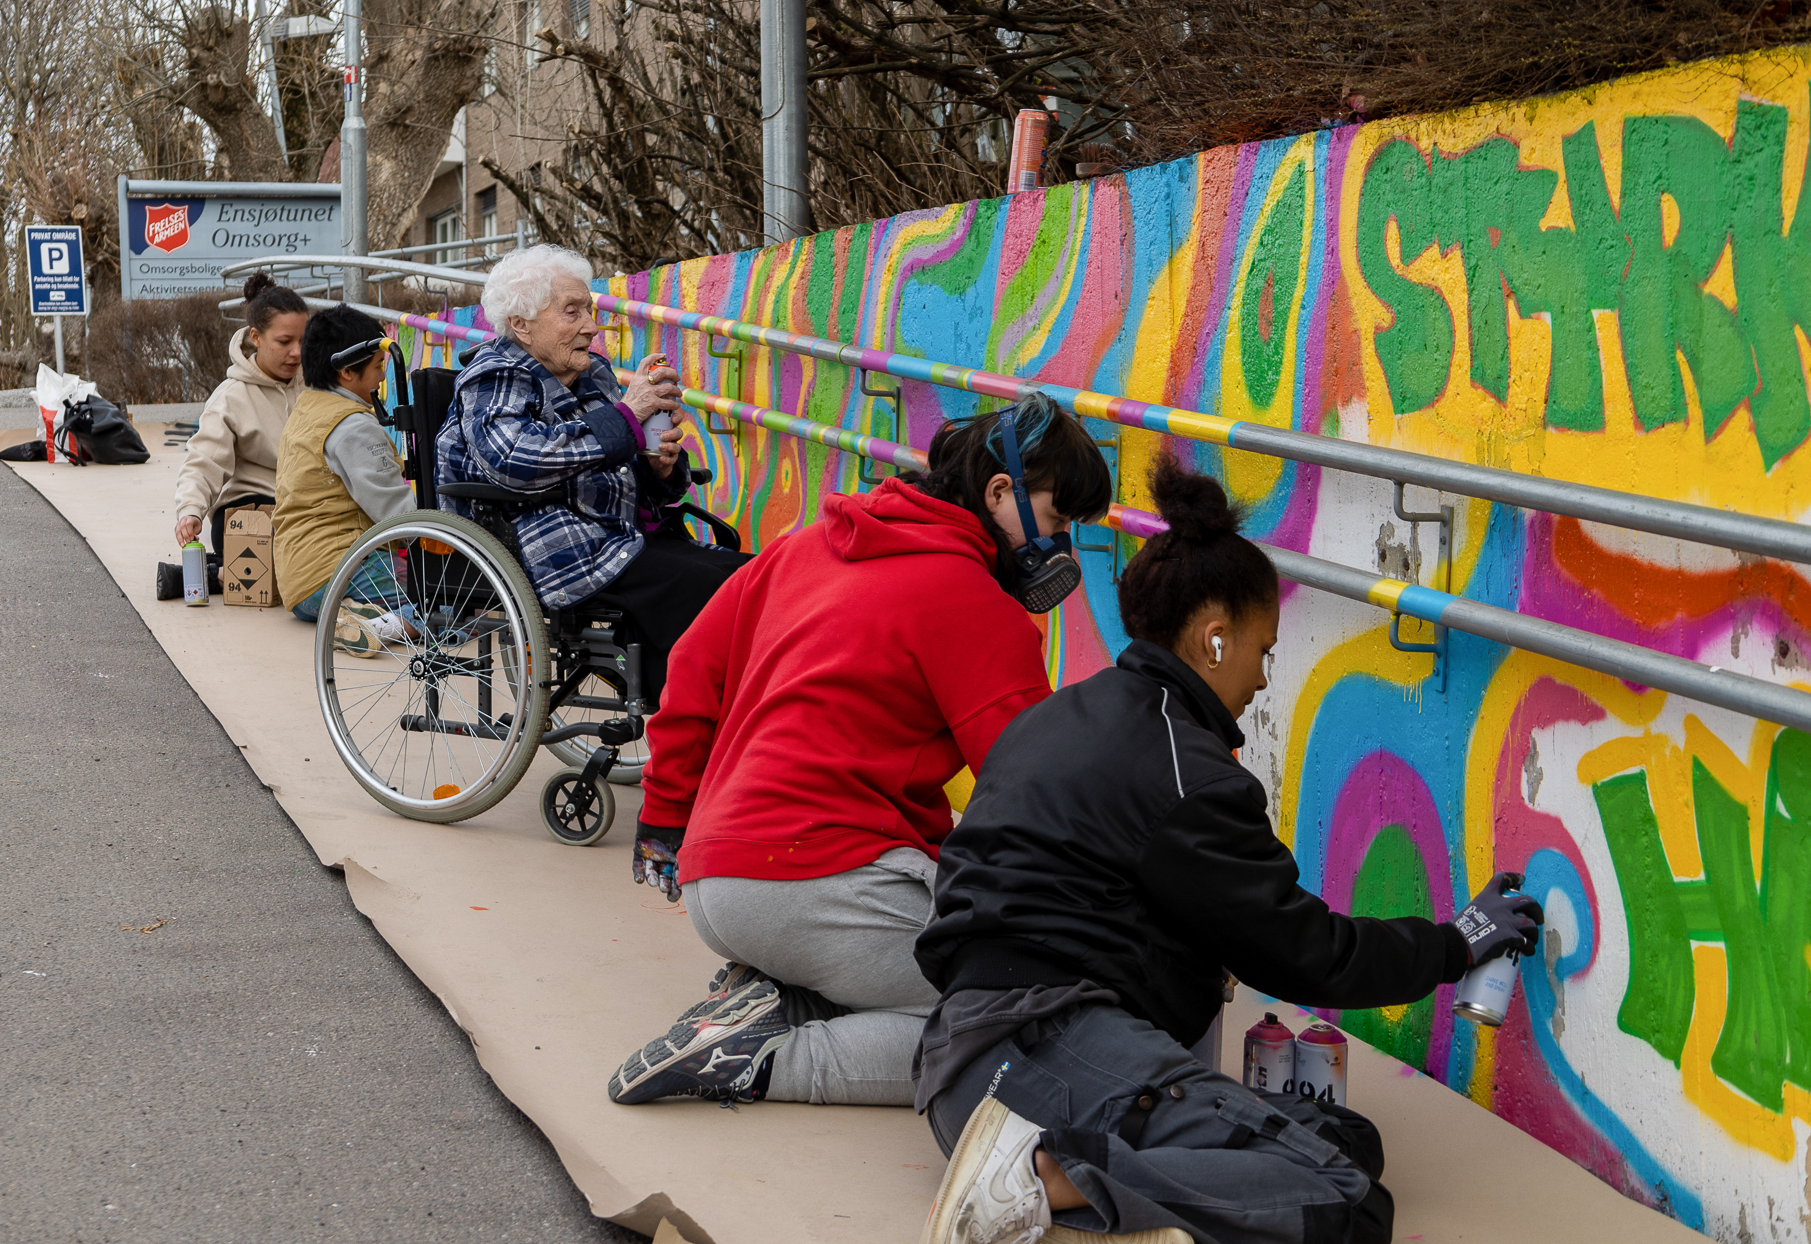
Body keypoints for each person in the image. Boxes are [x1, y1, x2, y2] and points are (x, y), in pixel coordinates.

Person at [908, 454, 1545, 1244]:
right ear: (1214, 640)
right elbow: (1305, 953)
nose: (1261, 676)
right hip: (1044, 1060)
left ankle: (1053, 1177)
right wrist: (1454, 946)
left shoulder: (1063, 714)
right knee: (1340, 1200)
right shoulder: (1186, 771)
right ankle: (1041, 1177)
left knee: (1346, 1140)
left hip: (966, 1063)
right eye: (1262, 649)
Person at [605, 394, 1115, 1110]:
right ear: (1001, 492)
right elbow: (1030, 786)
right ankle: (759, 1060)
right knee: (1028, 1018)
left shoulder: (801, 547)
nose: (1059, 547)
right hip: (819, 887)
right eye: (1059, 519)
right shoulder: (971, 602)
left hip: (713, 881)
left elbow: (691, 669)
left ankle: (778, 996)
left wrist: (664, 817)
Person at [436, 243, 749, 702]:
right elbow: (514, 461)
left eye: (589, 309)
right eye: (572, 312)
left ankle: (730, 719)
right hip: (553, 550)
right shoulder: (497, 375)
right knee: (714, 593)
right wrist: (626, 417)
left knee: (756, 577)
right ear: (521, 325)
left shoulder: (592, 373)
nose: (591, 325)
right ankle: (705, 725)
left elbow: (608, 457)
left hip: (618, 537)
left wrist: (660, 469)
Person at [273, 304, 418, 651]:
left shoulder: (308, 408)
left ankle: (349, 614)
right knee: (453, 601)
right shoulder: (353, 426)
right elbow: (398, 515)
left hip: (298, 585)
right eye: (377, 366)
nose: (383, 377)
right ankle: (380, 626)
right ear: (347, 373)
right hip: (338, 573)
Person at [172, 272, 308, 552]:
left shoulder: (317, 384)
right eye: (285, 342)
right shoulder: (231, 397)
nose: (296, 352)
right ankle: (221, 572)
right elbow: (204, 460)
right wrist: (191, 509)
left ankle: (218, 574)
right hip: (251, 507)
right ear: (255, 337)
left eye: (302, 341)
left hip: (305, 506)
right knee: (285, 548)